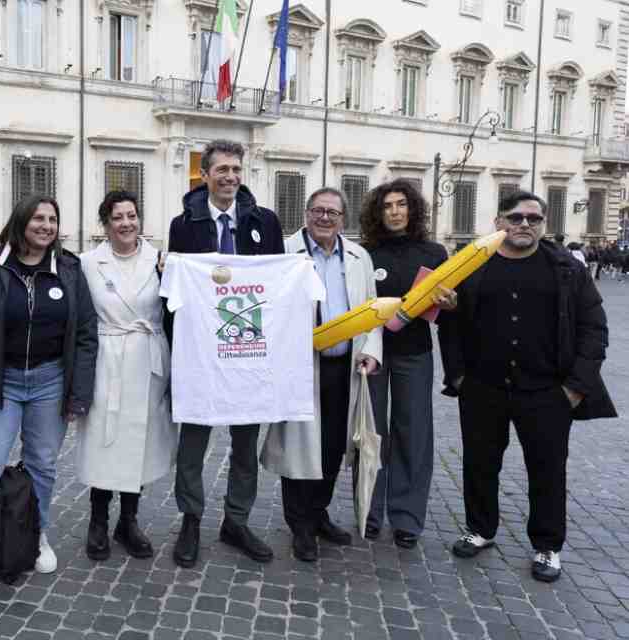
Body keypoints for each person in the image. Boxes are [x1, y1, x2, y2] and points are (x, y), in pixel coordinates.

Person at [439, 190, 616, 583]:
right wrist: (458, 377)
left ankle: (548, 545)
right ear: (498, 221)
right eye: (515, 217)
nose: (524, 224)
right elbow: (450, 325)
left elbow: (594, 329)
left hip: (547, 392)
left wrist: (575, 388)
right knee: (480, 465)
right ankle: (481, 529)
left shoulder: (567, 268)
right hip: (483, 387)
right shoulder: (471, 267)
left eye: (533, 219)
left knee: (548, 470)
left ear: (543, 225)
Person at [0, 195, 98, 588]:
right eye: (38, 218)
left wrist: (78, 393)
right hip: (3, 381)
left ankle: (36, 534)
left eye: (52, 219)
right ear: (21, 221)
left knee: (43, 466)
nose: (46, 225)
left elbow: (85, 333)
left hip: (51, 381)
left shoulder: (68, 268)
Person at [166, 139, 284, 568]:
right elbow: (176, 293)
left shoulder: (265, 222)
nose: (230, 177)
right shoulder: (185, 224)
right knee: (192, 445)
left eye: (236, 169)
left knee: (244, 444)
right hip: (201, 354)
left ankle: (236, 520)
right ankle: (191, 519)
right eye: (222, 170)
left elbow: (275, 287)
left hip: (248, 351)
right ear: (205, 174)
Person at [260, 187, 381, 561]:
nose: (324, 217)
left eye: (332, 212)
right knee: (298, 448)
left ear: (343, 218)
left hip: (344, 368)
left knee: (333, 448)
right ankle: (301, 526)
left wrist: (371, 353)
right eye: (317, 210)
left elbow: (373, 311)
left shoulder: (359, 257)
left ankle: (320, 514)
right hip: (300, 367)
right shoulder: (283, 252)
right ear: (306, 213)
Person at [77, 191, 177, 561]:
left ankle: (129, 521)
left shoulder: (160, 261)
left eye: (131, 216)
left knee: (140, 441)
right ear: (105, 223)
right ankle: (98, 520)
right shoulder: (88, 263)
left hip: (148, 358)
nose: (126, 223)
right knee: (106, 440)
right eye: (117, 217)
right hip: (107, 358)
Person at [356, 179, 456, 549]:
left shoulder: (434, 252)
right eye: (387, 206)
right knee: (371, 434)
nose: (395, 212)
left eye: (401, 205)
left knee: (414, 433)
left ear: (412, 209)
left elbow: (447, 315)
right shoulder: (364, 254)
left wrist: (451, 305)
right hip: (373, 354)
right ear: (378, 213)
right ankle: (369, 510)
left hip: (415, 354)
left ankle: (407, 517)